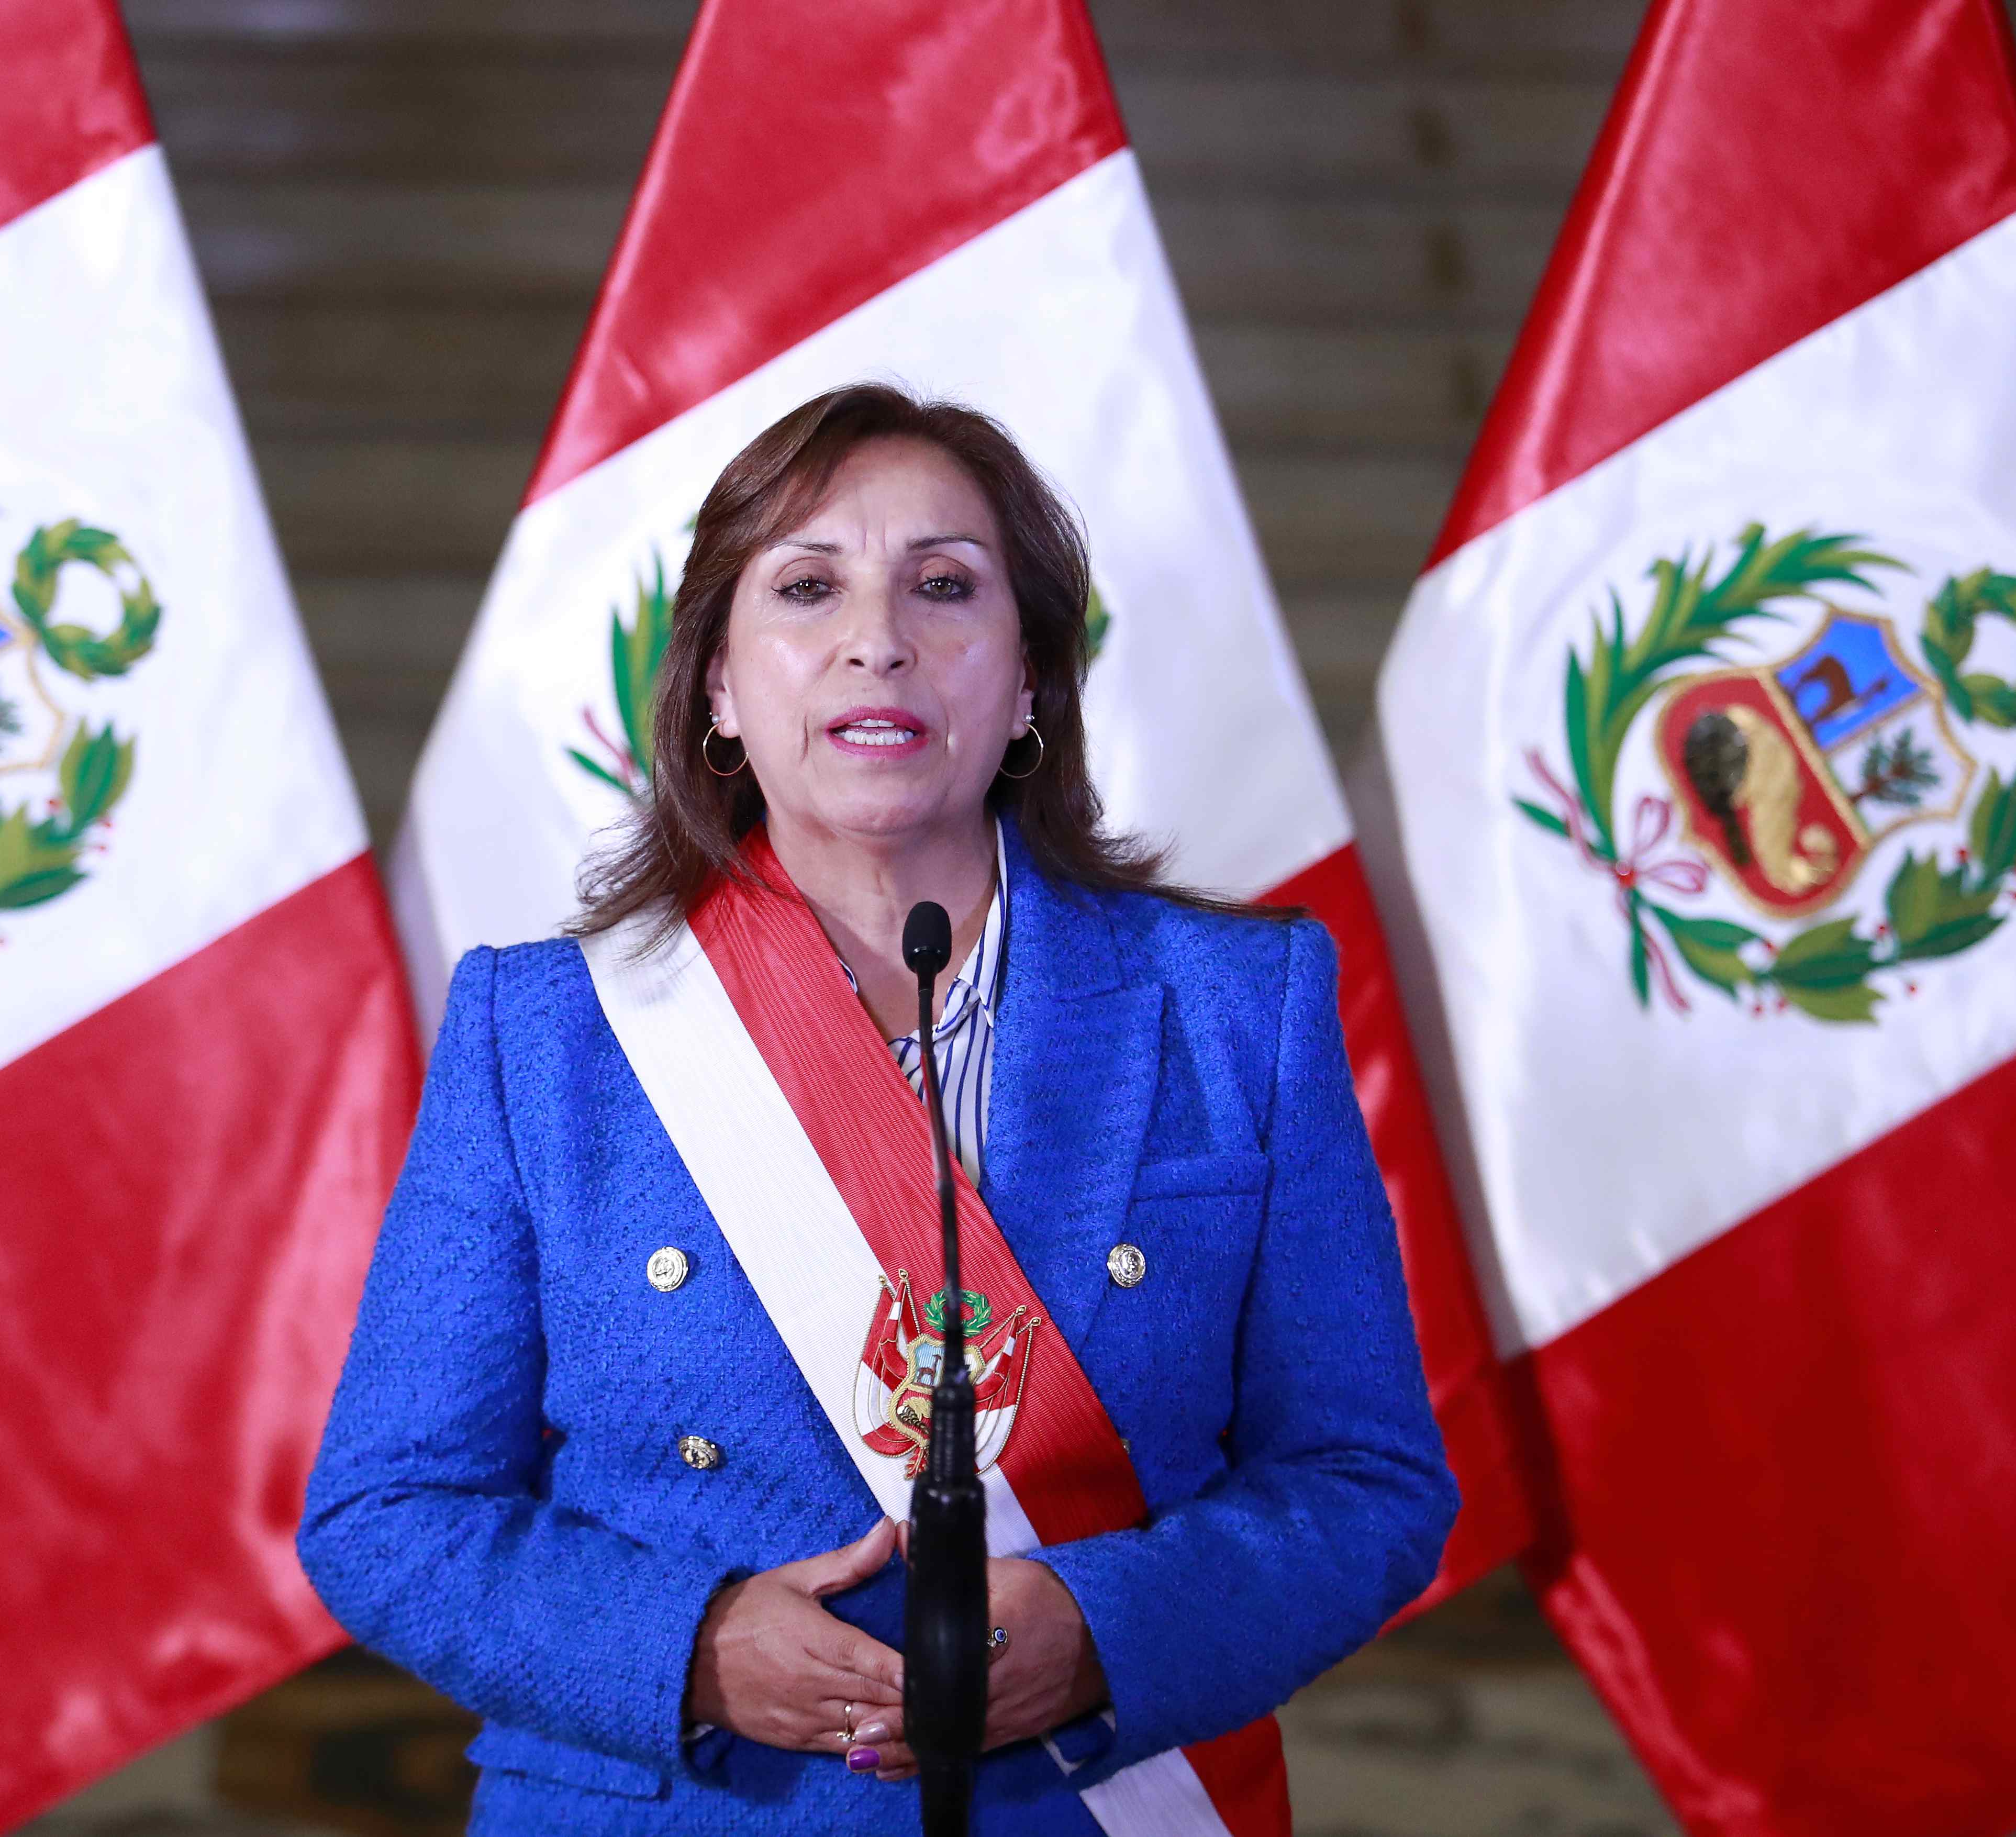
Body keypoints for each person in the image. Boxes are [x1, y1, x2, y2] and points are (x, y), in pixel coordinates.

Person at [298, 383, 1458, 1834]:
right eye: (806, 587)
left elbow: (1365, 1485)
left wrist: (1110, 1631)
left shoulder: (1237, 1008)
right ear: (719, 683)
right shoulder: (550, 1035)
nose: (878, 640)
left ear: (1030, 679)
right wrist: (694, 1651)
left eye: (945, 587)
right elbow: (389, 1516)